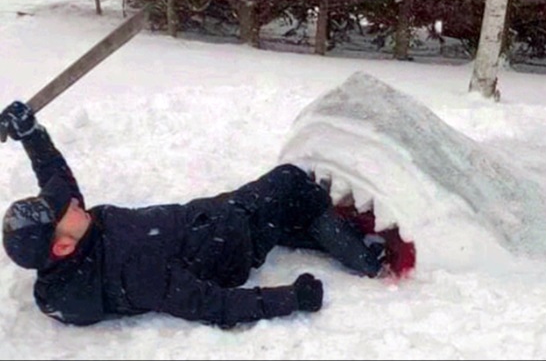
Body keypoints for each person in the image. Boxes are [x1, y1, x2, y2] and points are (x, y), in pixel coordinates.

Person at [0, 101, 383, 328]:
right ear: (63, 246)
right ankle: (365, 256)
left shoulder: (66, 259)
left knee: (283, 217)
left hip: (203, 223)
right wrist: (291, 299)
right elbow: (210, 305)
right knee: (291, 179)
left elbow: (55, 179)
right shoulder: (135, 270)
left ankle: (306, 227)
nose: (70, 202)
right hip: (229, 241)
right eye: (61, 210)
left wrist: (31, 134)